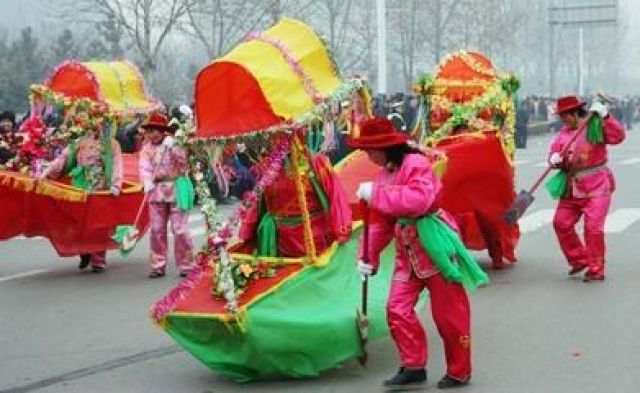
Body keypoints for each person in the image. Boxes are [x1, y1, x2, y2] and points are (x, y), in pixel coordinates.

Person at [347, 118, 488, 390]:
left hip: (436, 248)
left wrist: (377, 193)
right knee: (396, 309)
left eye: (370, 150)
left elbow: (419, 200)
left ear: (386, 147)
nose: (368, 155)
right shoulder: (383, 173)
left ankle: (459, 370)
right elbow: (380, 223)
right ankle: (413, 365)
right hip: (407, 252)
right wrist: (367, 257)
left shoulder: (416, 164)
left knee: (449, 317)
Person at [549, 95, 625, 282]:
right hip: (571, 187)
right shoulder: (563, 134)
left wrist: (607, 117)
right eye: (562, 116)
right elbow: (554, 154)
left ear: (576, 112)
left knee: (593, 229)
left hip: (597, 186)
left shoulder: (594, 125)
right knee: (561, 223)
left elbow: (618, 137)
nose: (564, 119)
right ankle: (579, 259)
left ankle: (596, 268)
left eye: (566, 115)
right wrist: (555, 160)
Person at [239, 136, 352, 258]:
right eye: (271, 136)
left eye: (279, 135)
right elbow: (257, 202)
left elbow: (336, 197)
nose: (273, 141)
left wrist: (341, 230)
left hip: (312, 241)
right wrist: (247, 230)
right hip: (276, 241)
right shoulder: (267, 166)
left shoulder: (316, 162)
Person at [40, 117, 123, 273]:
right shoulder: (79, 141)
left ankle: (98, 259)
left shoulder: (111, 144)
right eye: (95, 121)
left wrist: (116, 184)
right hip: (79, 185)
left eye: (104, 123)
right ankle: (84, 250)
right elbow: (63, 159)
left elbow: (117, 164)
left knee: (98, 224)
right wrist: (46, 173)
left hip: (100, 187)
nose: (99, 126)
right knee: (78, 222)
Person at [139, 113, 195, 278]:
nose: (152, 134)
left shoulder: (175, 142)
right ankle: (158, 265)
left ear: (163, 131)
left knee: (180, 229)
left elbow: (184, 163)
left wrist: (175, 148)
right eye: (149, 131)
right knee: (156, 229)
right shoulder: (146, 149)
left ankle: (187, 264)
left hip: (177, 189)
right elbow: (144, 167)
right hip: (157, 191)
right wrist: (147, 181)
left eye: (155, 130)